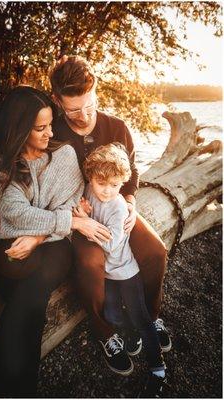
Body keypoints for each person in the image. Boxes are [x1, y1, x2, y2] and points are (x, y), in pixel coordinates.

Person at [0, 56, 171, 377]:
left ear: (96, 93)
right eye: (73, 110)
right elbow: (18, 169)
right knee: (89, 263)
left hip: (114, 206)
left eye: (90, 105)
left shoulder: (116, 127)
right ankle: (104, 332)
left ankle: (151, 316)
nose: (83, 116)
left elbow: (132, 171)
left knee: (155, 251)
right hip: (72, 216)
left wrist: (129, 199)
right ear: (57, 101)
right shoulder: (50, 132)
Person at [0, 86, 88, 397]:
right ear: (18, 128)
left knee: (33, 288)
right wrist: (64, 221)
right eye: (40, 128)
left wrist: (39, 235)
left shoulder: (64, 155)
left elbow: (71, 202)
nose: (49, 133)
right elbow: (14, 212)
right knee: (29, 292)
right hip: (12, 243)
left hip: (55, 244)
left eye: (50, 125)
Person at [73, 143, 168, 397]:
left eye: (115, 185)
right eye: (101, 183)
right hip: (108, 275)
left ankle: (158, 367)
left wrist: (87, 223)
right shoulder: (87, 191)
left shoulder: (116, 206)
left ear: (122, 183)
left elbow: (113, 244)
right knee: (113, 315)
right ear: (90, 177)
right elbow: (79, 203)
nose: (107, 191)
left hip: (126, 272)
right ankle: (129, 334)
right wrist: (80, 212)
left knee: (141, 317)